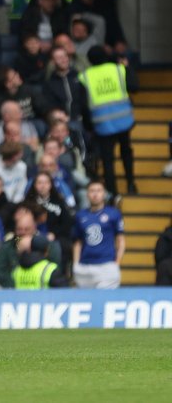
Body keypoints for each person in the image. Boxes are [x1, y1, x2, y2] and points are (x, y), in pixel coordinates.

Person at [79, 46, 137, 196]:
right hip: (123, 120)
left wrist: (88, 126)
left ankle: (112, 193)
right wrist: (128, 68)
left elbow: (83, 106)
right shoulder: (118, 69)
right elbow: (133, 87)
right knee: (126, 152)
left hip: (102, 124)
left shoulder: (85, 76)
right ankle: (131, 183)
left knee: (107, 159)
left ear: (90, 60)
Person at [72, 181, 124, 288]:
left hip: (107, 265)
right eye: (92, 191)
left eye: (99, 191)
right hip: (84, 266)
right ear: (87, 194)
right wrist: (76, 264)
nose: (95, 194)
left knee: (104, 300)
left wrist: (117, 263)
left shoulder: (114, 213)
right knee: (85, 302)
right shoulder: (80, 215)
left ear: (104, 194)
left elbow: (121, 240)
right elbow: (78, 242)